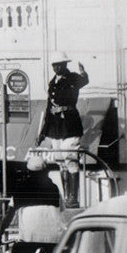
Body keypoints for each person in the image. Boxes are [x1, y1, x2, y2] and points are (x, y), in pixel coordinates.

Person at [0, 154, 65, 253]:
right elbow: (61, 211)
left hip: (30, 236)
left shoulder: (21, 187)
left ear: (28, 171)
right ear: (45, 171)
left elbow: (9, 214)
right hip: (54, 236)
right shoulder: (54, 188)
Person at [38, 53, 89, 208]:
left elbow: (84, 81)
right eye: (54, 65)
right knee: (60, 160)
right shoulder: (52, 82)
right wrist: (43, 132)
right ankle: (67, 196)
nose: (56, 67)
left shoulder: (72, 78)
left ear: (65, 64)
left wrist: (83, 73)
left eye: (59, 64)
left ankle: (74, 196)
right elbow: (48, 108)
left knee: (70, 157)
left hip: (69, 124)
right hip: (55, 126)